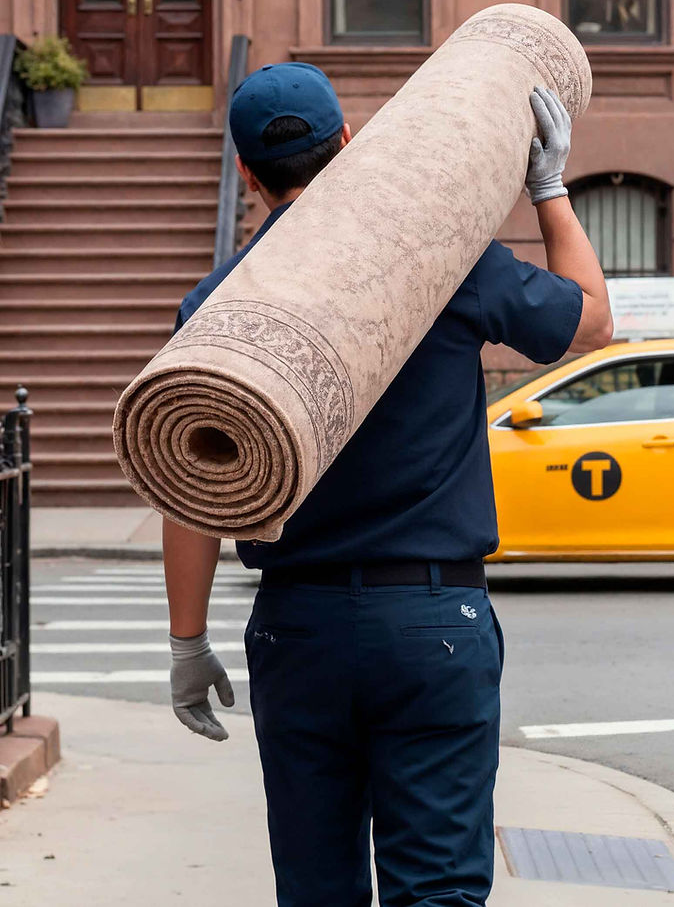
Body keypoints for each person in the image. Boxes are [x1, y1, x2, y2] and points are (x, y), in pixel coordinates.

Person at [164, 61, 612, 907]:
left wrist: (188, 642)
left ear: (247, 174)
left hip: (301, 631)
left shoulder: (218, 306)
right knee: (436, 892)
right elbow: (589, 320)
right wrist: (546, 183)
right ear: (349, 142)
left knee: (318, 893)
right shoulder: (439, 257)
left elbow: (192, 489)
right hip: (433, 620)